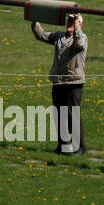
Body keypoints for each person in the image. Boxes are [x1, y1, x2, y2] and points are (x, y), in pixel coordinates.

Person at [32, 12, 87, 154]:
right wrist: (35, 21)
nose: (69, 23)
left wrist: (76, 28)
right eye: (68, 21)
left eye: (73, 21)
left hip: (73, 82)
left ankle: (79, 146)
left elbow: (79, 44)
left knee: (72, 114)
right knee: (59, 114)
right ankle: (62, 145)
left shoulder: (82, 37)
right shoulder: (59, 36)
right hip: (58, 81)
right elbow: (42, 35)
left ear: (79, 24)